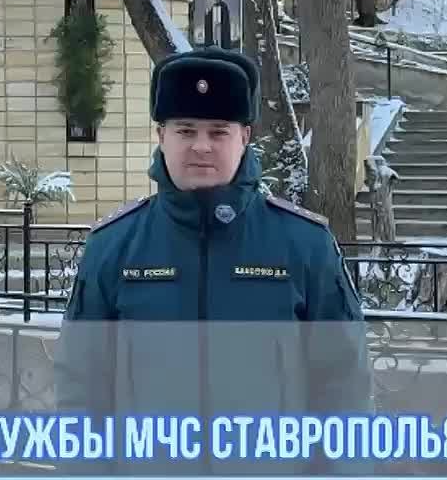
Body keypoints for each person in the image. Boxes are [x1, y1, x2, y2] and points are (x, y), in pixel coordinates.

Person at [54, 46, 374, 476]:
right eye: (185, 130)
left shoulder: (304, 246)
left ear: (245, 137)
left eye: (218, 132)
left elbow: (345, 390)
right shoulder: (113, 248)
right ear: (161, 136)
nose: (201, 146)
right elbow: (81, 391)